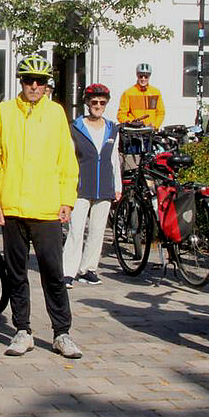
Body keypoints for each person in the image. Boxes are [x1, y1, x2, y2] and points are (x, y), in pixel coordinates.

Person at [0, 54, 82, 359]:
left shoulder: (55, 114)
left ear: (47, 86)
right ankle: (22, 330)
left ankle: (62, 332)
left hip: (47, 208)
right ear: (21, 81)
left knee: (53, 271)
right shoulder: (4, 112)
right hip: (12, 206)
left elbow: (67, 159)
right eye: (29, 80)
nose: (35, 86)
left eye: (41, 82)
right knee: (16, 273)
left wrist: (67, 199)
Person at [63, 82, 121, 287]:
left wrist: (118, 186)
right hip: (81, 186)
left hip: (104, 186)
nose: (98, 105)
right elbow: (68, 159)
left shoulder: (113, 129)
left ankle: (88, 268)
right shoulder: (75, 128)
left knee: (97, 231)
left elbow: (114, 159)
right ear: (87, 102)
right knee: (76, 230)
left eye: (102, 102)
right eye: (94, 101)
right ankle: (68, 271)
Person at [116, 62, 165, 128]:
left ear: (149, 77)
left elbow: (160, 112)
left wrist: (155, 125)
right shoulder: (128, 93)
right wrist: (131, 122)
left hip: (151, 131)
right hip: (134, 131)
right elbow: (121, 114)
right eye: (141, 76)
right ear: (137, 76)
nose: (143, 79)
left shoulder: (156, 92)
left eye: (146, 77)